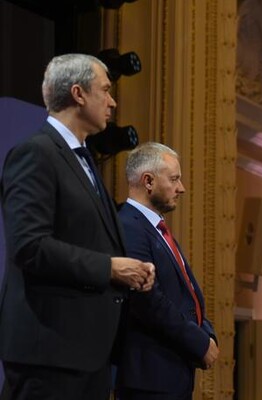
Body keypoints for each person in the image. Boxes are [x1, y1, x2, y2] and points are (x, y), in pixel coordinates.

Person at [0, 53, 155, 400]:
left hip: (86, 356)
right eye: (106, 90)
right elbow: (30, 246)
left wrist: (132, 271)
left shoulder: (81, 158)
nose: (113, 101)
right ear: (78, 94)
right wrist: (110, 268)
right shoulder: (35, 153)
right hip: (50, 355)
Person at [115, 142, 219, 400]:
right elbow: (148, 299)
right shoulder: (128, 224)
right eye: (174, 179)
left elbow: (185, 292)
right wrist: (198, 342)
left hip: (172, 368)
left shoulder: (155, 227)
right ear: (148, 181)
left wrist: (206, 332)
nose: (181, 188)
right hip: (150, 374)